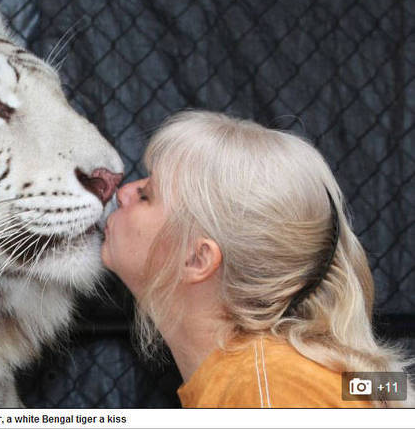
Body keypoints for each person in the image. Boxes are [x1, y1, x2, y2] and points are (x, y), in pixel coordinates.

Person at [101, 110, 413, 408]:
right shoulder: (274, 378)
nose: (123, 193)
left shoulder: (267, 392)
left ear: (198, 258)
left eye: (146, 195)